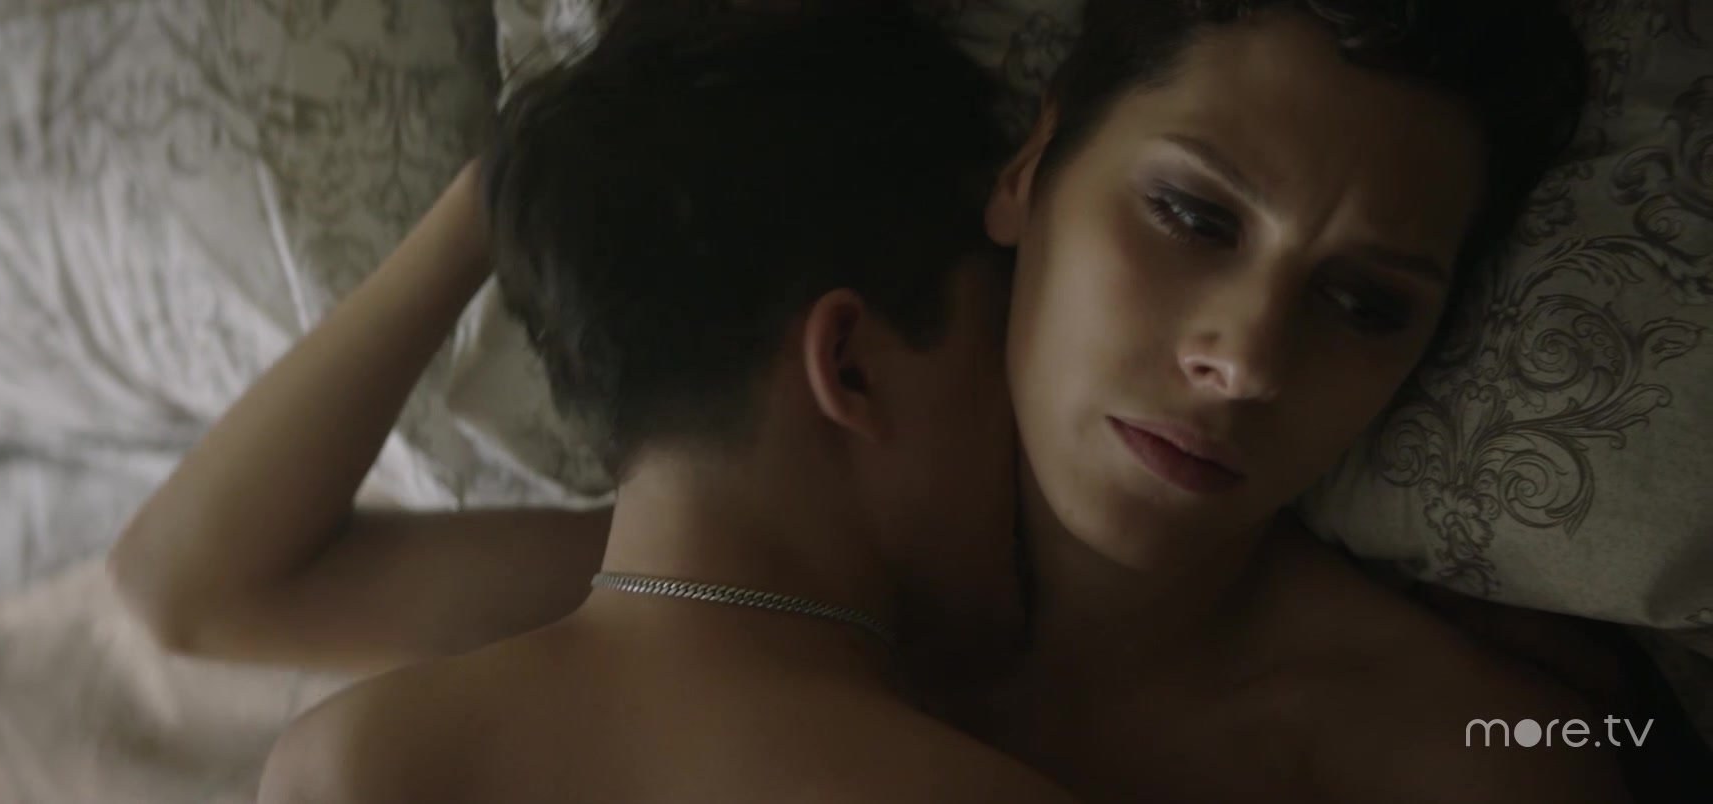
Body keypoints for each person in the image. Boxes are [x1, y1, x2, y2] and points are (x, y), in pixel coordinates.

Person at [112, 0, 1645, 802]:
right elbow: (196, 588)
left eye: (1367, 304)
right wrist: (545, 162)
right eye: (1189, 215)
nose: (1246, 358)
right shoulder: (743, 570)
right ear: (1030, 174)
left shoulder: (1461, 744)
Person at [115, 4, 1076, 802]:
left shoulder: (358, 759)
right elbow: (186, 588)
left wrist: (526, 183)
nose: (1025, 412)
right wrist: (528, 173)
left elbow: (186, 589)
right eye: (1000, 336)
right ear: (851, 367)